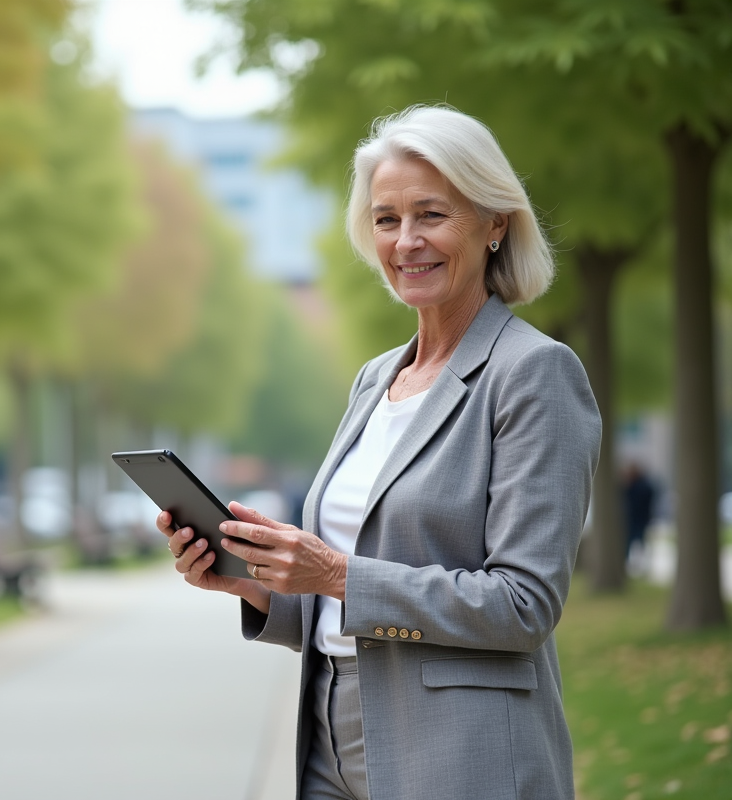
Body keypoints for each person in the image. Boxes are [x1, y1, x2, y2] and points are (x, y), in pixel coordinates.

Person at [160, 105, 601, 800]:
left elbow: (523, 605)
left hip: (459, 749)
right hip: (330, 734)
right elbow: (346, 598)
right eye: (386, 218)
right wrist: (255, 584)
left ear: (494, 224)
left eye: (431, 214)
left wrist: (335, 572)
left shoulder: (533, 373)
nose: (406, 241)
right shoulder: (376, 378)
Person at [622, 462, 655, 572]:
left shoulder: (638, 487)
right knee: (635, 542)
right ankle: (636, 564)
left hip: (637, 519)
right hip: (636, 520)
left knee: (636, 542)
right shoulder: (641, 486)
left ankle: (639, 565)